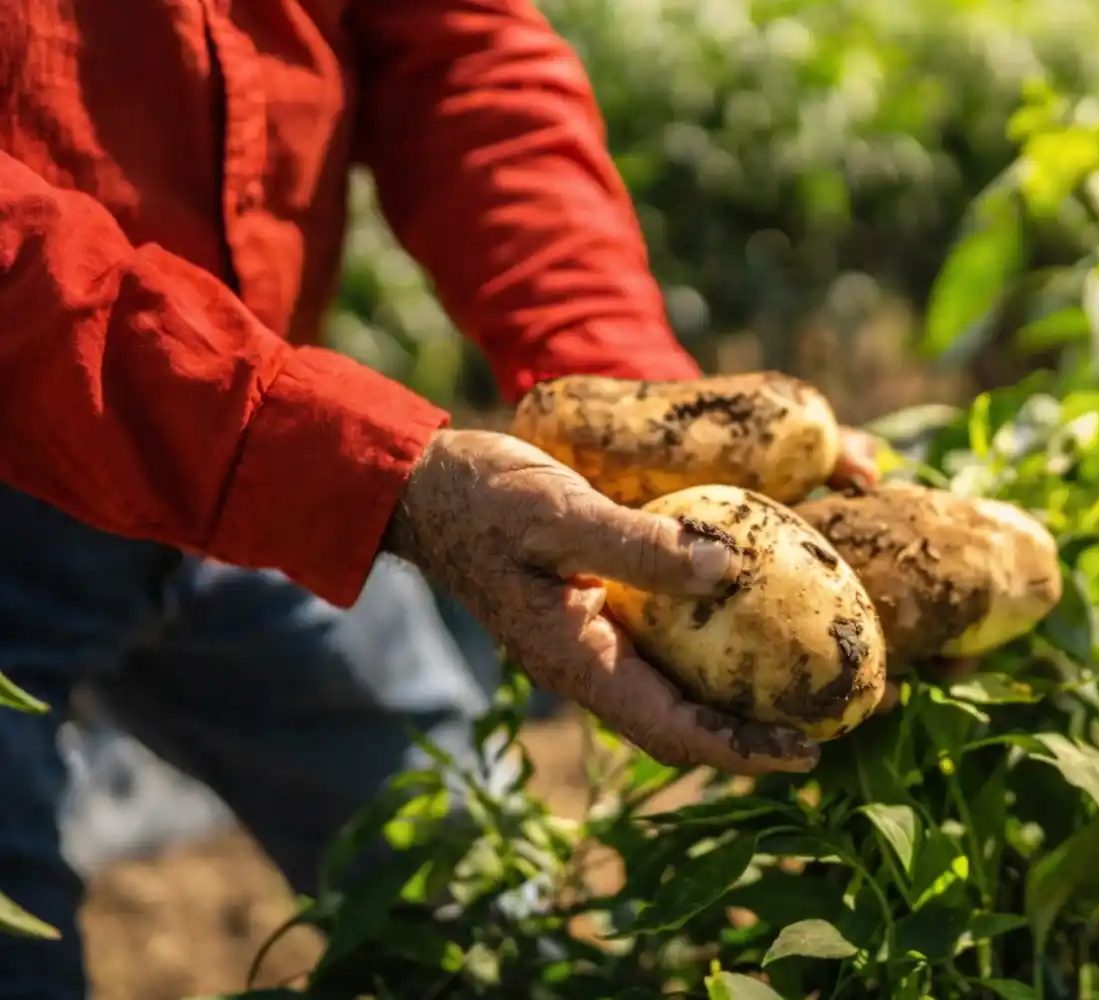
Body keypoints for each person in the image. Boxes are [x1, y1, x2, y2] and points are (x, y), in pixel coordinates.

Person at [0, 3, 884, 996]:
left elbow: (457, 47)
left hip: (271, 452)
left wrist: (634, 408)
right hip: (193, 440)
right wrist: (379, 478)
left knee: (474, 891)